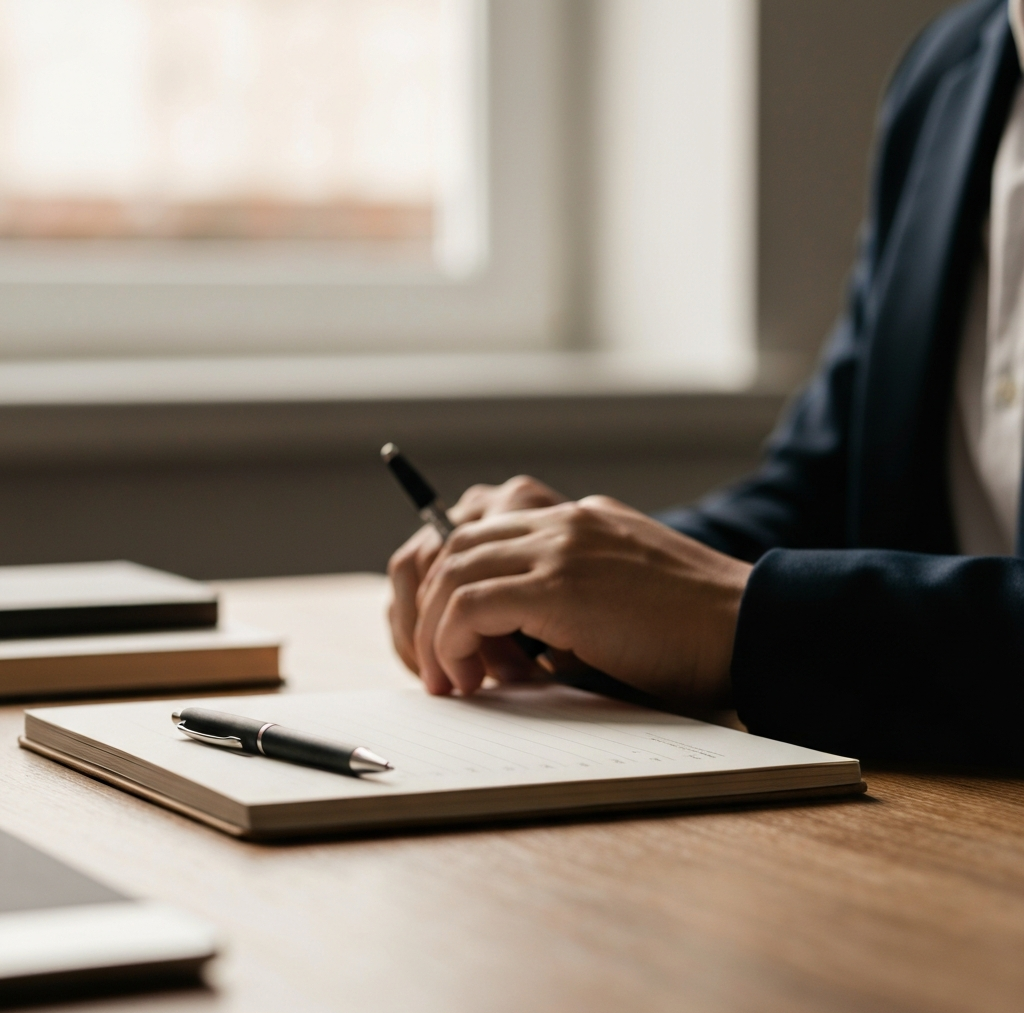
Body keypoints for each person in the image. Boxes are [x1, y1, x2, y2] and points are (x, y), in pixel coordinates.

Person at [388, 0, 1024, 767]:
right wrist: (577, 572)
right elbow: (825, 487)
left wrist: (739, 616)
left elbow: (750, 596)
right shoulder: (953, 68)